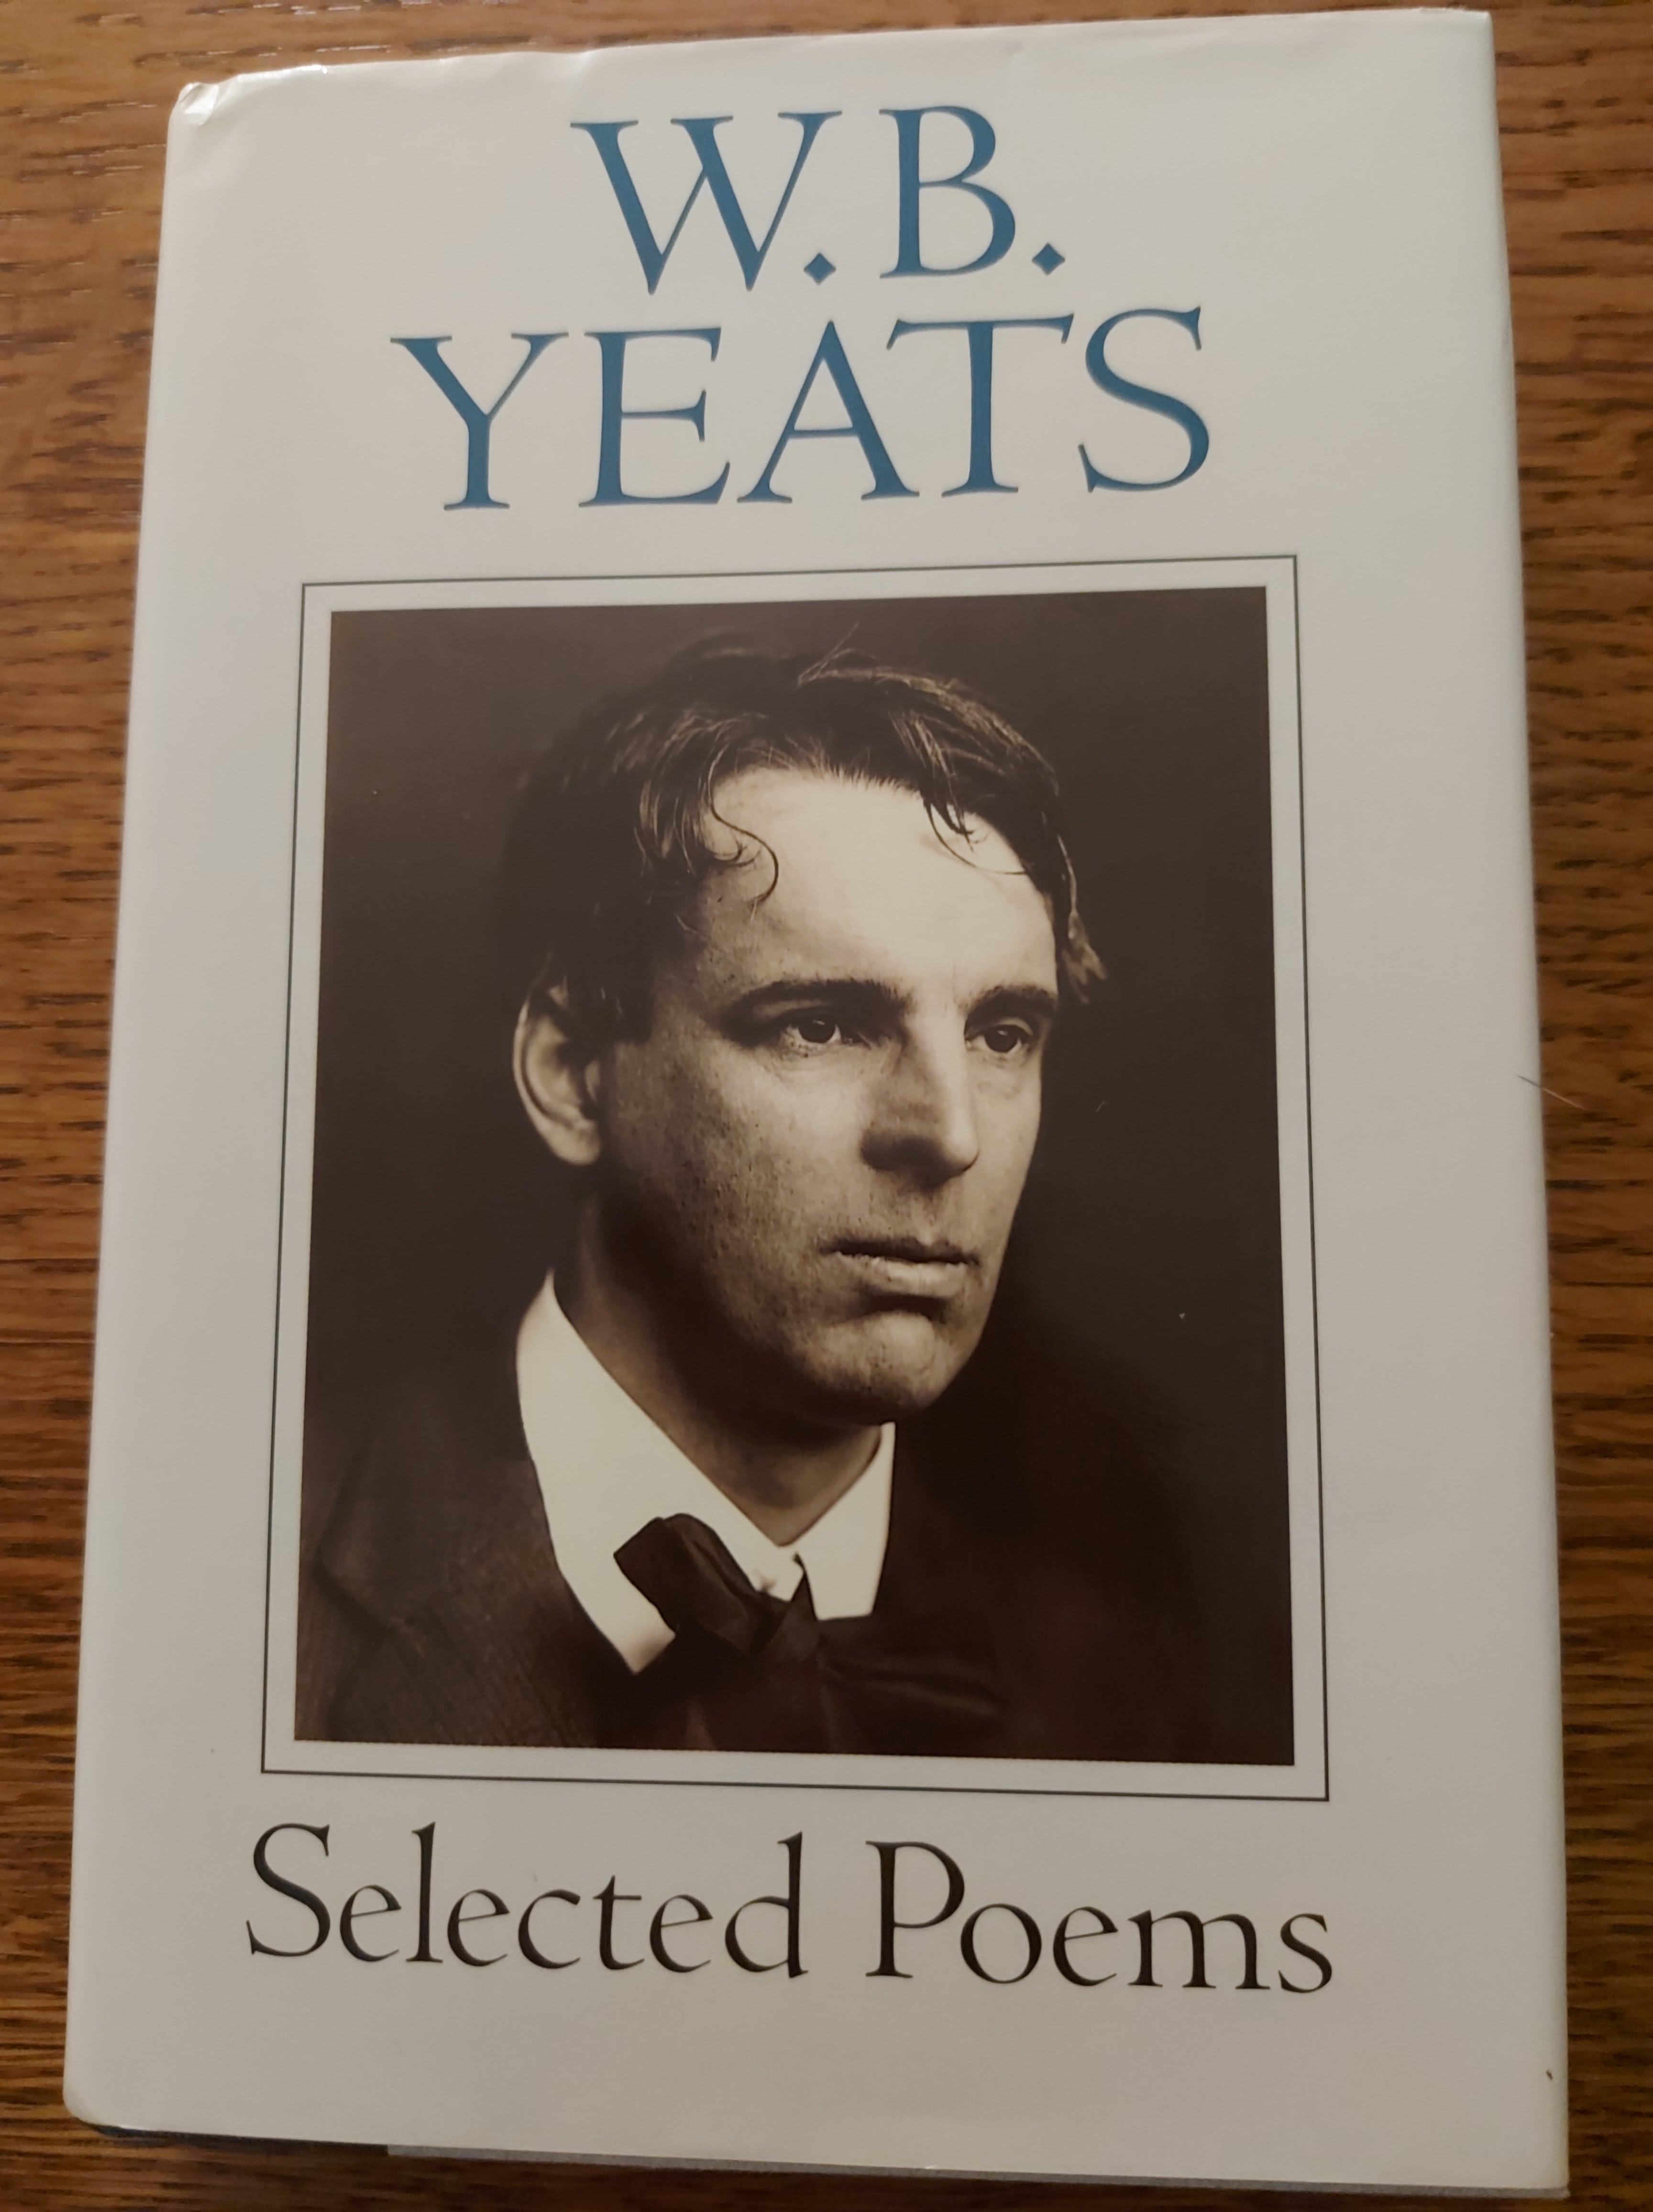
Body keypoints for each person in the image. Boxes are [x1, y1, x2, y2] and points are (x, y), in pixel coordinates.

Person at [298, 645, 1206, 1757]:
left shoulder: (1137, 1660)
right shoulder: (242, 1581)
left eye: (1001, 1032)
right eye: (819, 1025)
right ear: (573, 1073)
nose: (951, 1134)